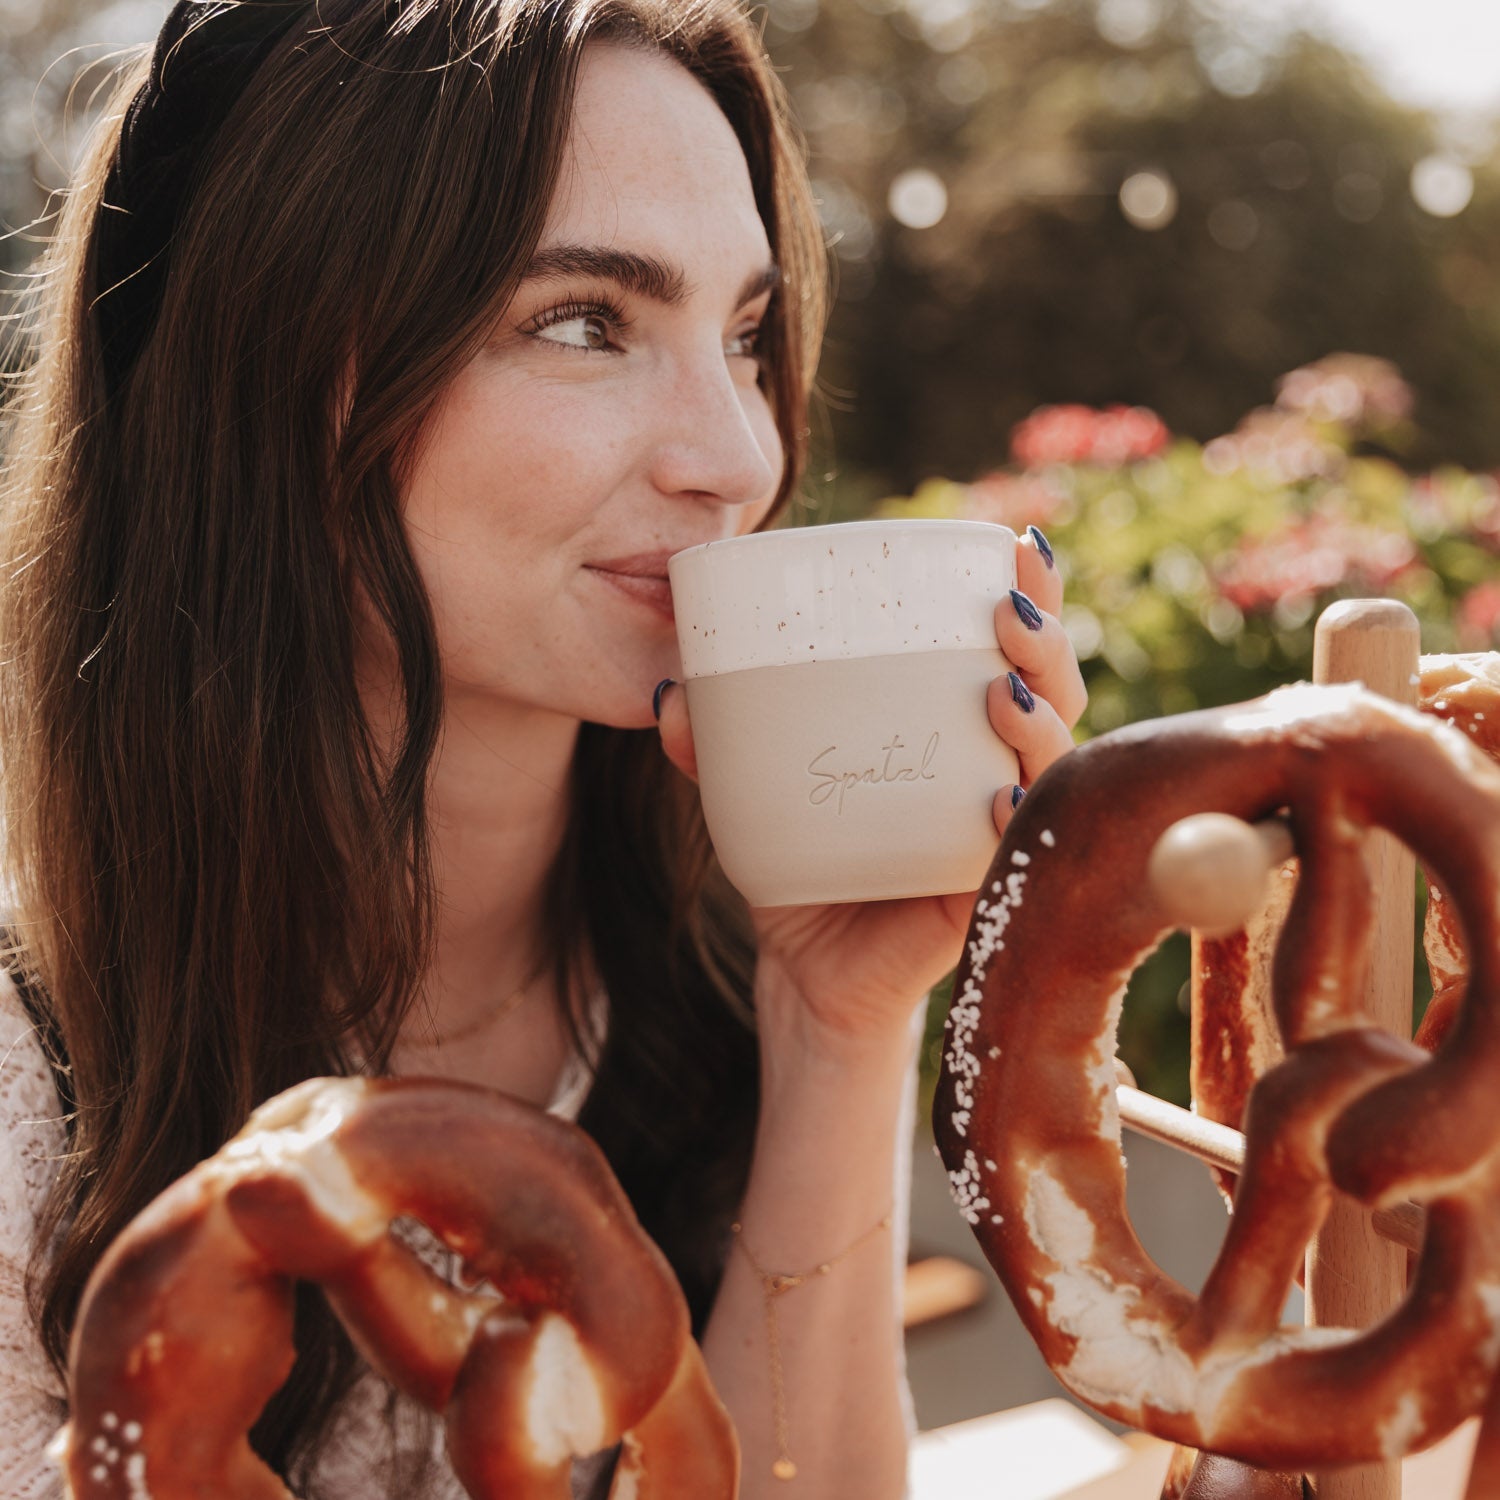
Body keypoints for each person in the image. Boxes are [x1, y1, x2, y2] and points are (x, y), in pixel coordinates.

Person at [0, 1, 1086, 1496]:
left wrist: (837, 1023)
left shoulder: (706, 983)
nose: (737, 458)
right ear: (258, 373)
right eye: (583, 321)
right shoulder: (25, 1089)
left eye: (748, 335)